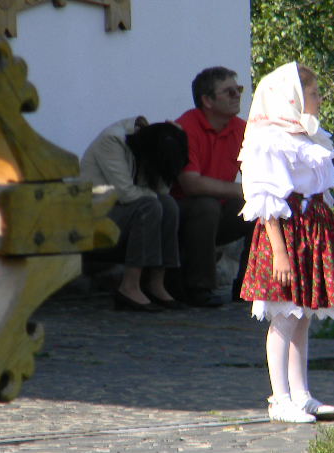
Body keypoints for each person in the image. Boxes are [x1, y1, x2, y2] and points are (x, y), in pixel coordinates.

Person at [238, 62, 334, 423]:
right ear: (291, 97)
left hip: (311, 232)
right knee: (284, 316)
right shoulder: (269, 140)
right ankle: (280, 398)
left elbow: (319, 191)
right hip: (287, 235)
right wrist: (279, 252)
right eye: (314, 93)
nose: (319, 99)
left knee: (303, 316)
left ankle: (301, 393)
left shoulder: (310, 137)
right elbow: (266, 203)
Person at [81, 117, 190, 312]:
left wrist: (176, 140)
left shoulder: (151, 143)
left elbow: (162, 192)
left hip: (121, 212)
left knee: (169, 205)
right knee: (149, 206)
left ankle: (156, 283)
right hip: (93, 217)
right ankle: (129, 286)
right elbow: (126, 193)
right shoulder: (112, 141)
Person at [172, 66, 253, 307]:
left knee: (260, 207)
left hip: (217, 212)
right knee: (207, 205)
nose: (237, 95)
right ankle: (199, 288)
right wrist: (243, 190)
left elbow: (256, 174)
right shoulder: (186, 127)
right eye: (228, 92)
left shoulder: (241, 129)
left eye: (237, 90)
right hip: (181, 215)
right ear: (207, 100)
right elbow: (191, 184)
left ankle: (249, 285)